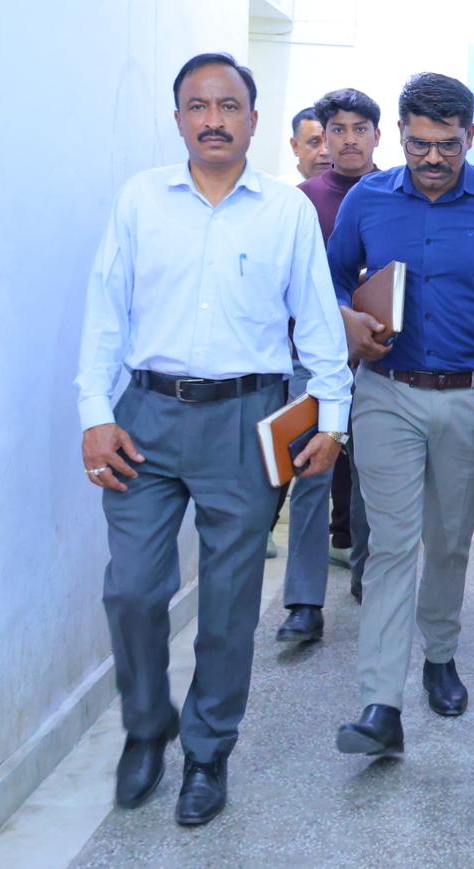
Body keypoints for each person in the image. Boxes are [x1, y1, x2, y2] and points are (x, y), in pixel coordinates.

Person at [76, 53, 353, 826]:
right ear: (178, 119)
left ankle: (207, 750)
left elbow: (318, 322)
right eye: (197, 105)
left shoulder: (285, 210)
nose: (212, 119)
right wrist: (94, 411)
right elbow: (105, 311)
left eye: (228, 105)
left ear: (253, 120)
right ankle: (146, 724)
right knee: (132, 588)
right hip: (144, 415)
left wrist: (332, 419)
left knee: (230, 601)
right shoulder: (141, 199)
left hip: (244, 418)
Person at [328, 73, 474, 755]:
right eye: (419, 144)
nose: (433, 158)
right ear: (399, 134)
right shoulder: (366, 200)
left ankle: (440, 655)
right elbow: (331, 277)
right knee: (391, 544)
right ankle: (380, 704)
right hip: (386, 392)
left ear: (470, 135)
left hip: (470, 399)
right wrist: (347, 316)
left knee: (447, 540)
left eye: (448, 144)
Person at [275, 88, 383, 645]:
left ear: (377, 135)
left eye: (359, 128)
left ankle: (368, 575)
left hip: (380, 359)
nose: (347, 140)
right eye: (336, 129)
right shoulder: (300, 201)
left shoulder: (396, 192)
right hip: (311, 363)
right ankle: (303, 603)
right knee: (311, 476)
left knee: (371, 477)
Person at [289, 106, 329, 180]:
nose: (325, 152)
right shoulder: (278, 187)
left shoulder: (349, 186)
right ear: (295, 146)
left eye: (330, 142)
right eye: (314, 142)